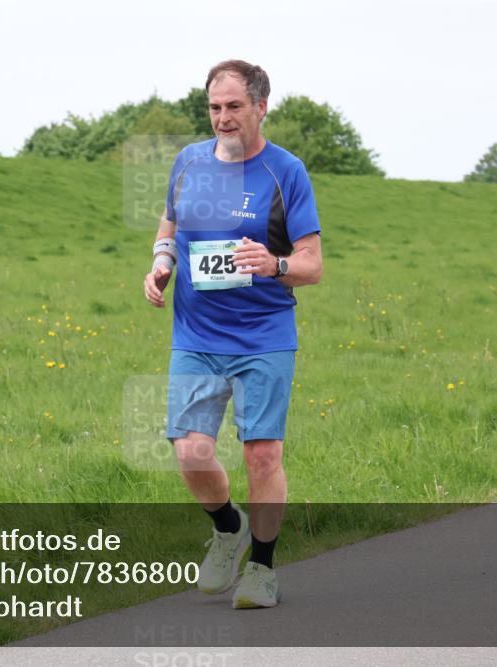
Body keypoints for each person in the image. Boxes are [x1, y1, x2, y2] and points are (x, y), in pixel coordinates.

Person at [143, 60, 323, 609]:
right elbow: (170, 227)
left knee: (261, 455)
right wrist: (160, 263)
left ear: (261, 107)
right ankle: (228, 528)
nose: (223, 118)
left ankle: (263, 572)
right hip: (197, 334)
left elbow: (312, 264)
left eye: (234, 107)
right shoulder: (188, 162)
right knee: (191, 452)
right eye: (215, 108)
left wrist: (273, 265)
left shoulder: (285, 172)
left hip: (264, 335)